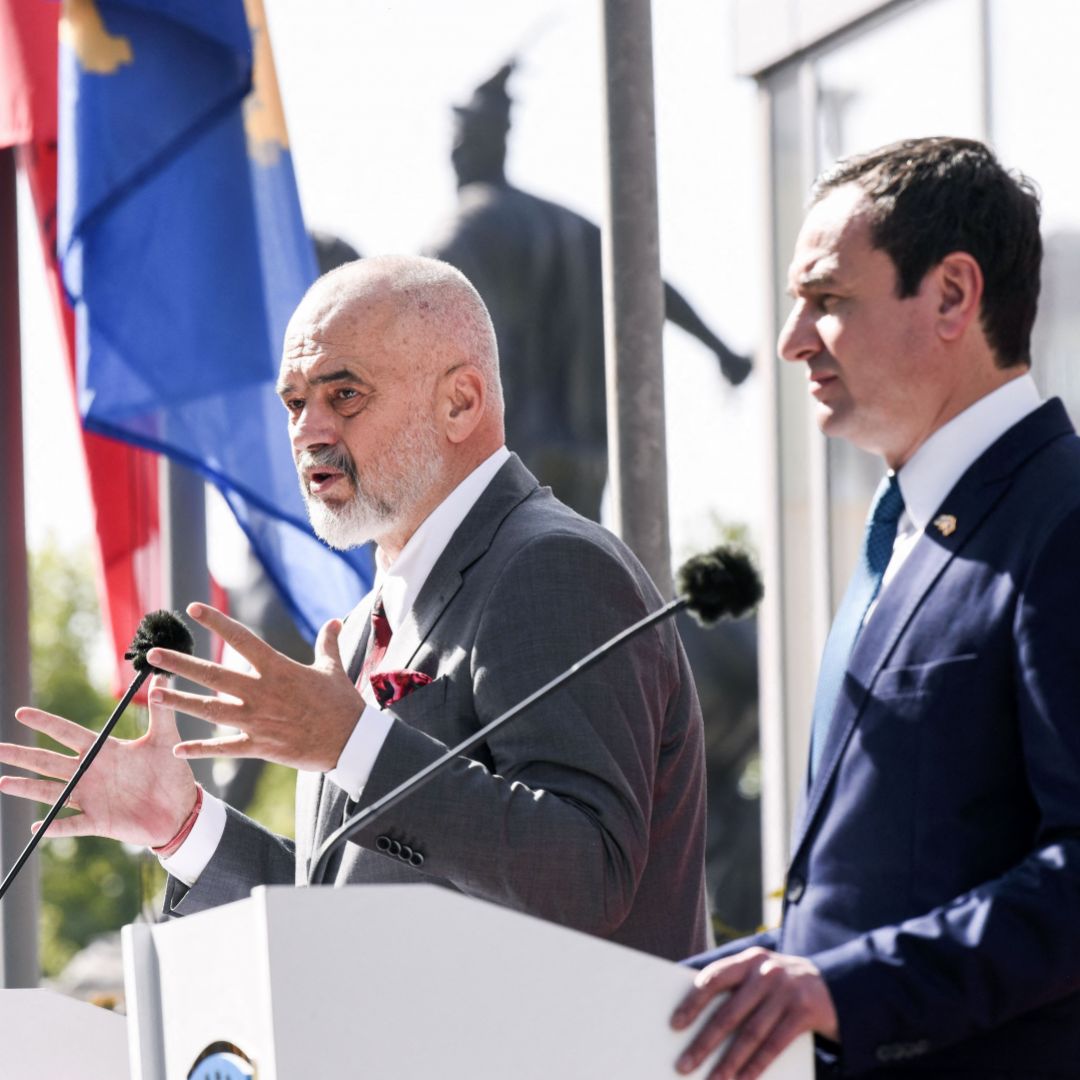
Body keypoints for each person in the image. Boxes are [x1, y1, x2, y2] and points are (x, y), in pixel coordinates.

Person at [0, 255, 710, 961]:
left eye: (345, 396)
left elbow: (586, 874)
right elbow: (336, 928)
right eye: (293, 402)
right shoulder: (364, 624)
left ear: (460, 401)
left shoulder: (552, 567)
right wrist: (182, 826)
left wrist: (352, 744)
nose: (309, 429)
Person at [671, 137, 1080, 1077]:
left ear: (951, 295)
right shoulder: (897, 531)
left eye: (827, 300)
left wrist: (843, 992)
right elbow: (864, 890)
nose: (791, 341)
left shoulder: (1060, 523)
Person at [425, 61, 751, 520]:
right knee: (579, 571)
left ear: (468, 147)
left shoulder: (465, 231)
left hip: (508, 449)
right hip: (585, 448)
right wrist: (723, 351)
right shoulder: (569, 223)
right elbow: (648, 285)